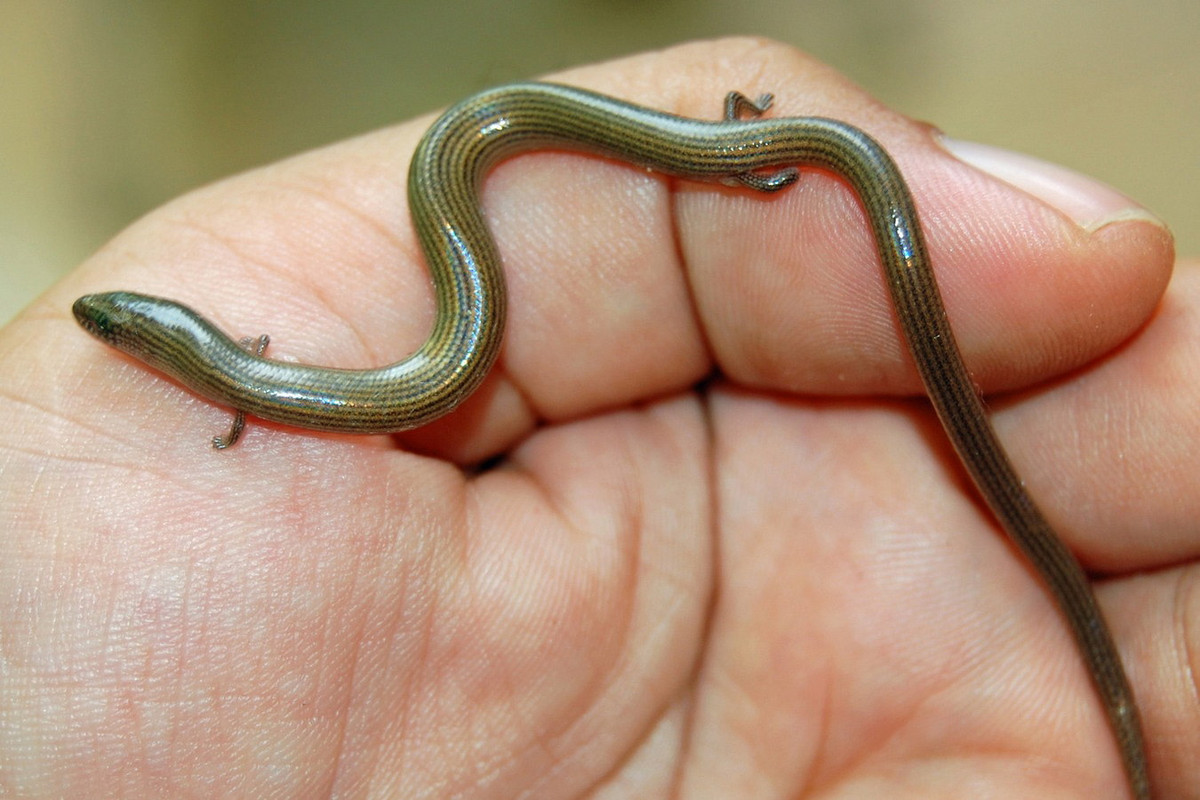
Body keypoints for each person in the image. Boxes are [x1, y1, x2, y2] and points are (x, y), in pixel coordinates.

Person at [0, 38, 1193, 797]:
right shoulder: (241, 383)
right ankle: (749, 150)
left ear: (186, 346)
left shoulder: (244, 381)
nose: (111, 328)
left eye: (120, 329)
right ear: (183, 351)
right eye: (120, 329)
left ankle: (752, 150)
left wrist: (739, 153)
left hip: (538, 156)